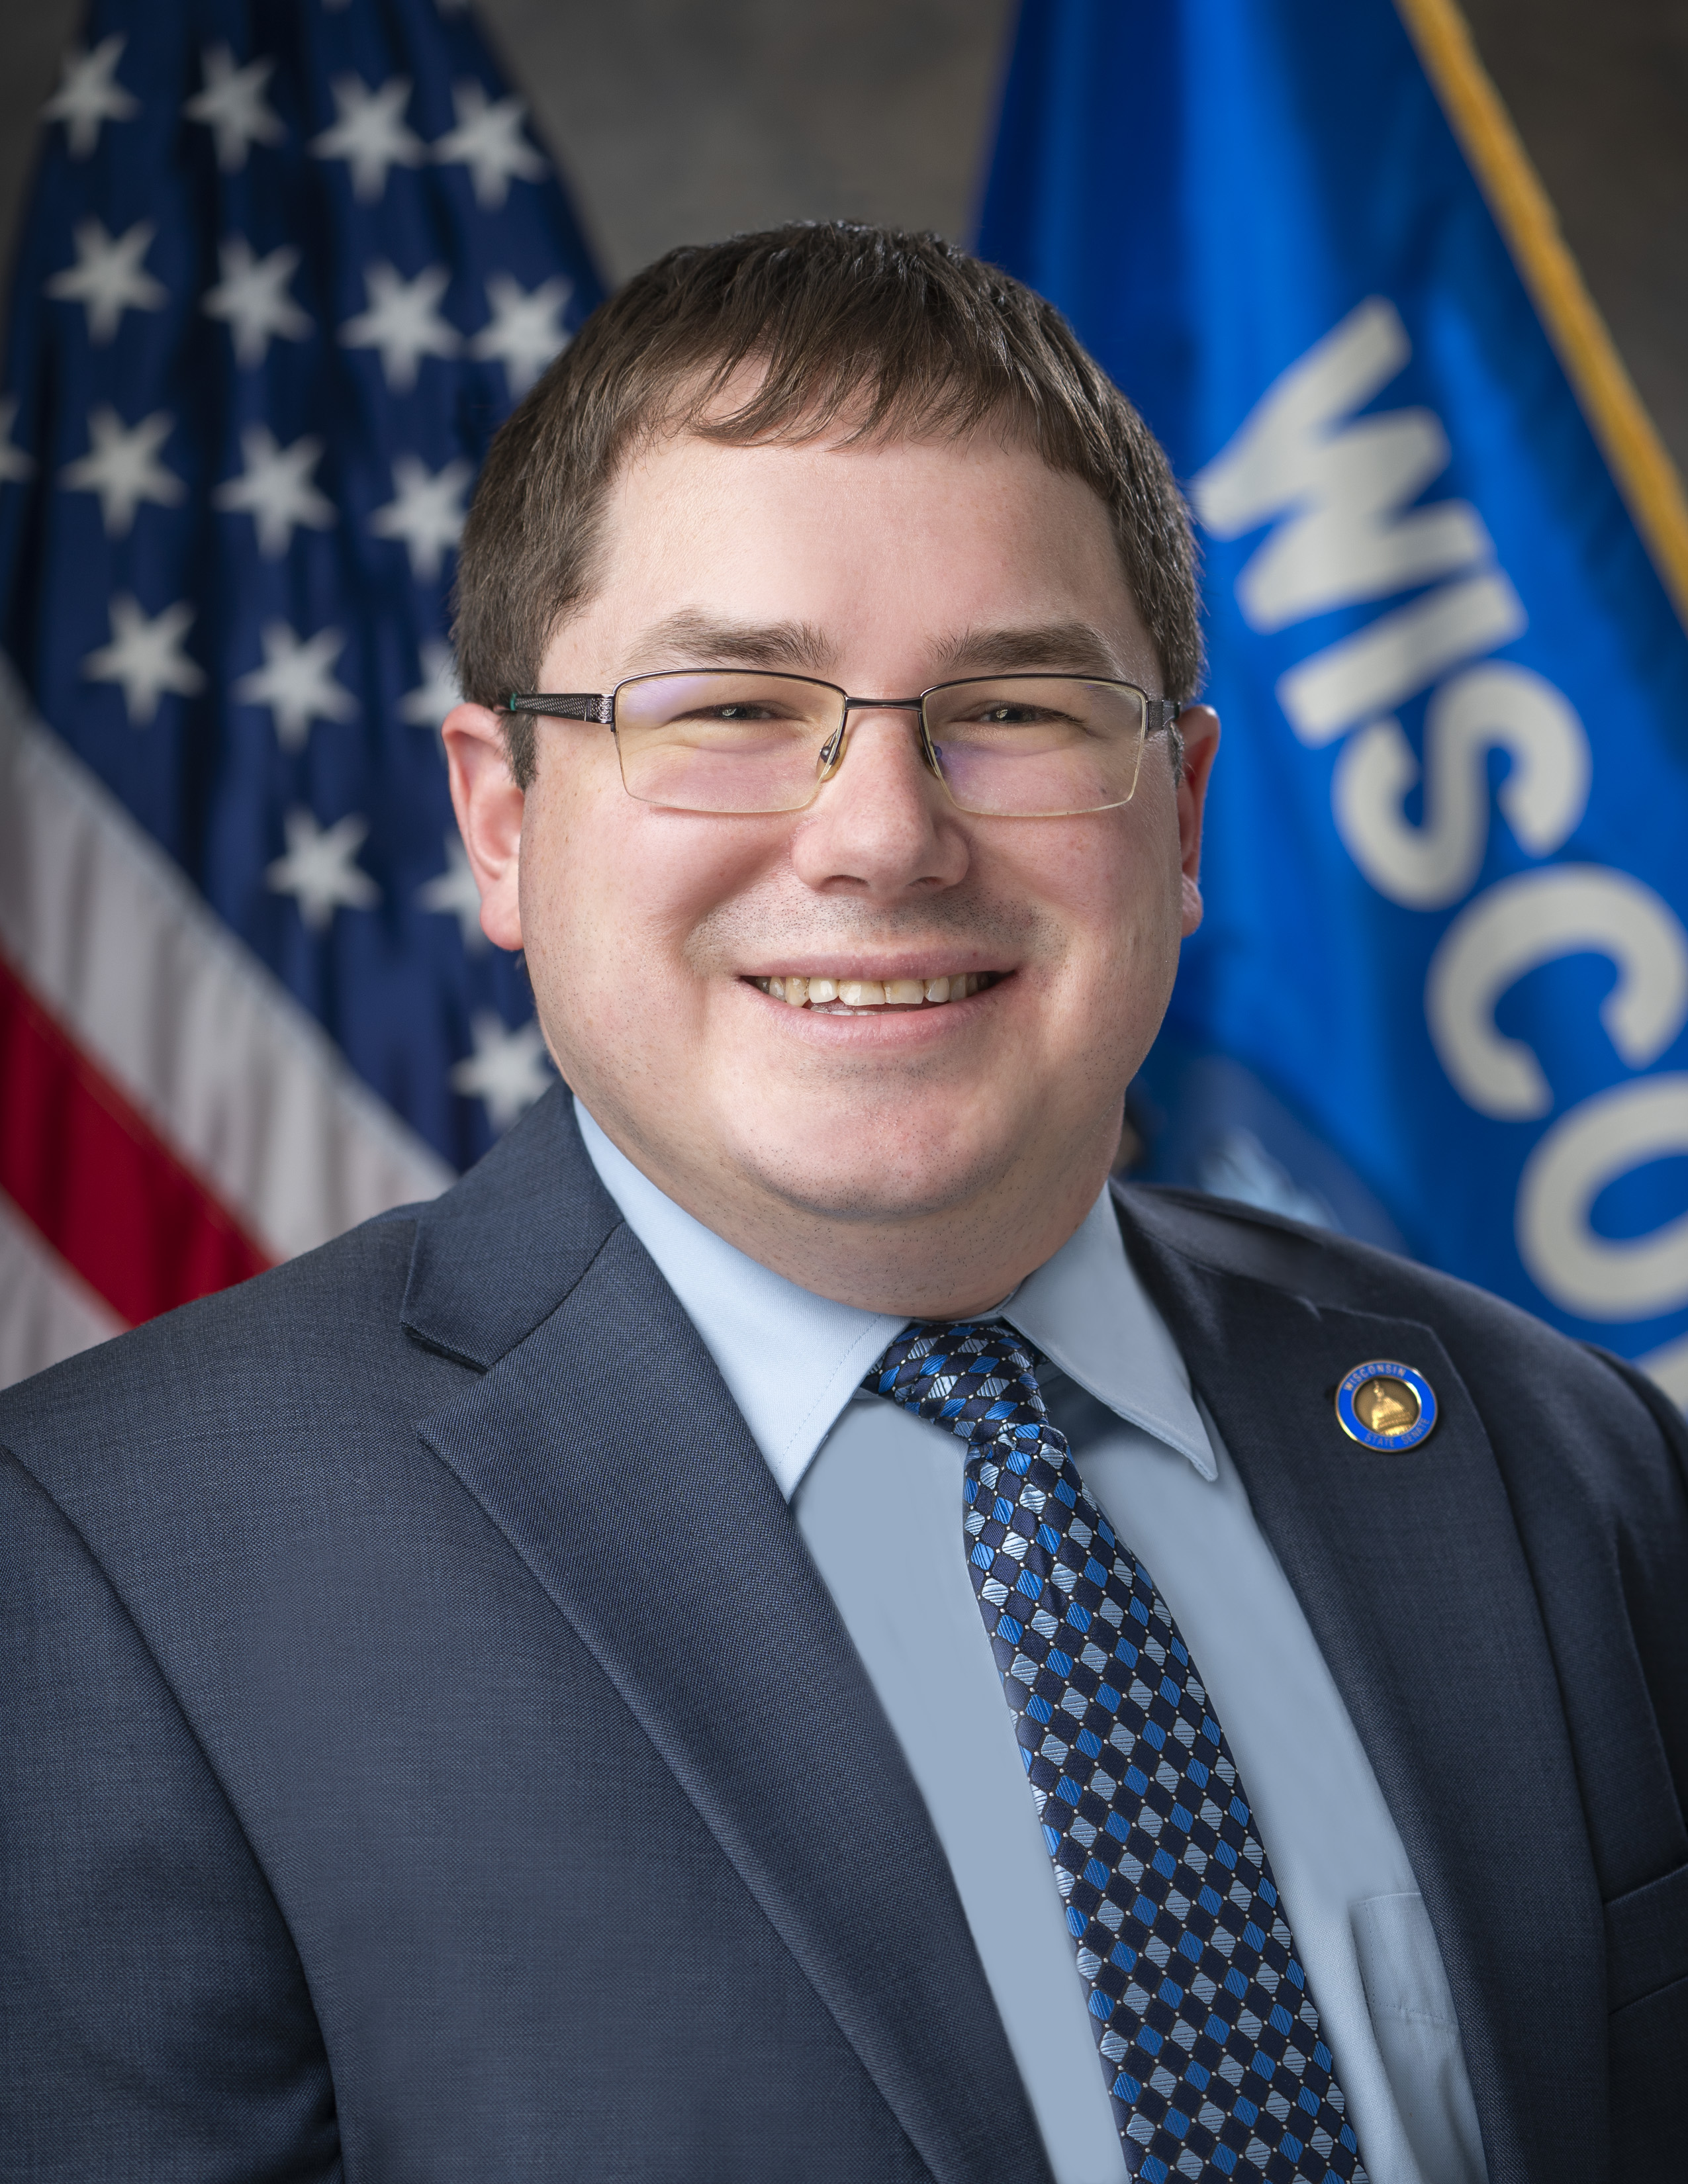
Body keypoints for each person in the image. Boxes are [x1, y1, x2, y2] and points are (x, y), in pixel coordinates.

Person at [2, 223, 1683, 2184]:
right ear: (501, 822)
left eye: (1022, 709)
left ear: (1186, 815)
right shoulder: (107, 1570)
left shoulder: (1551, 1452)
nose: (883, 833)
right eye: (726, 707)